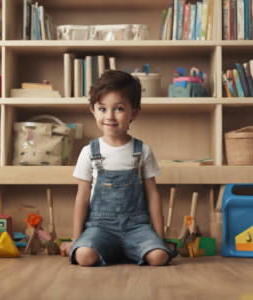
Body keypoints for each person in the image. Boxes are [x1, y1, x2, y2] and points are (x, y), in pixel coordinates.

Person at [61, 70, 176, 266]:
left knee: (159, 257)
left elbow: (153, 196)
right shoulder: (88, 152)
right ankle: (116, 250)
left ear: (134, 113)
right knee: (83, 257)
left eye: (119, 109)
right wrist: (76, 239)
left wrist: (160, 238)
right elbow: (81, 197)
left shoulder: (143, 151)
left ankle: (126, 249)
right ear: (93, 110)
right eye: (102, 109)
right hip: (100, 227)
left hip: (137, 228)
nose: (110, 116)